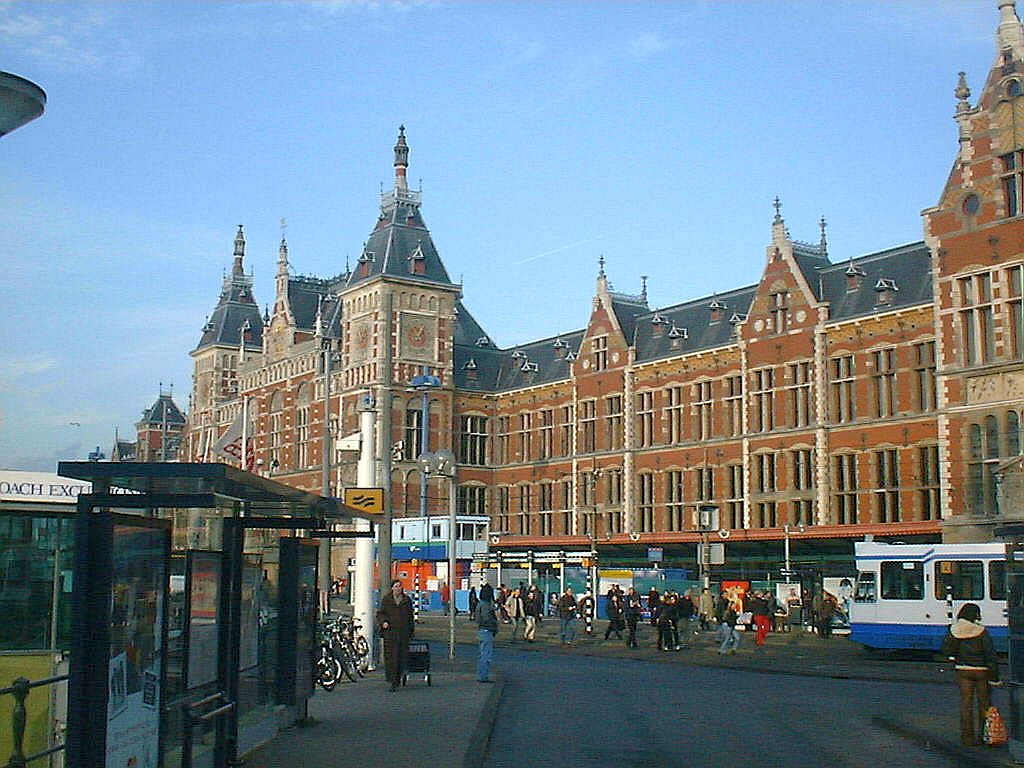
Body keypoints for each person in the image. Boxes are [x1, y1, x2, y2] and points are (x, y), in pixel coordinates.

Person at [941, 603, 1001, 746]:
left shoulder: (955, 630)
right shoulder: (982, 631)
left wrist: (955, 657)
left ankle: (967, 739)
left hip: (963, 670)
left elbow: (946, 650)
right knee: (984, 704)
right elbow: (990, 655)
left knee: (966, 704)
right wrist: (994, 677)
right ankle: (985, 737)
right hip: (982, 671)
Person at [376, 579, 414, 691]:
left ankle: (398, 678)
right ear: (392, 588)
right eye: (396, 586)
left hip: (403, 633)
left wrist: (411, 632)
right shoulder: (387, 600)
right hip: (390, 633)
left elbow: (410, 617)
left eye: (399, 586)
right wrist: (384, 622)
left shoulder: (406, 600)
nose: (398, 588)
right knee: (391, 657)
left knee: (401, 657)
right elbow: (380, 613)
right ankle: (392, 680)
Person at [475, 584, 498, 683]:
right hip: (487, 631)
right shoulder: (486, 605)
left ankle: (481, 675)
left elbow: (478, 619)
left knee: (482, 655)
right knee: (486, 656)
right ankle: (483, 676)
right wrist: (494, 625)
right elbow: (487, 618)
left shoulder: (480, 603)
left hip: (481, 630)